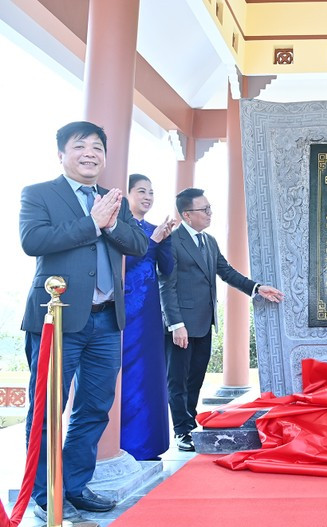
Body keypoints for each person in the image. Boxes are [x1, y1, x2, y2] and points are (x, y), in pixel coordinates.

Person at [20, 121, 148, 522]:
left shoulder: (114, 199)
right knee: (46, 408)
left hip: (107, 322)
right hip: (56, 320)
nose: (90, 153)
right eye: (80, 146)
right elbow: (33, 241)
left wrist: (110, 224)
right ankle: (45, 492)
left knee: (94, 408)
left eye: (97, 147)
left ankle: (73, 484)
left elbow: (139, 245)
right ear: (62, 153)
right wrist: (91, 223)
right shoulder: (39, 194)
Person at [159, 188, 285, 452]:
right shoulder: (172, 241)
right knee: (178, 380)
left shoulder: (209, 242)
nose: (209, 213)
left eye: (209, 208)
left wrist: (257, 288)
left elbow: (226, 272)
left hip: (204, 322)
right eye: (203, 210)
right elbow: (166, 286)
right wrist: (175, 324)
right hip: (181, 325)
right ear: (186, 215)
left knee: (195, 378)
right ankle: (181, 430)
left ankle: (190, 421)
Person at [120, 174, 178, 461]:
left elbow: (167, 269)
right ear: (128, 194)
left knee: (151, 373)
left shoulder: (155, 229)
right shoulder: (119, 227)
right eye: (141, 191)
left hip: (150, 312)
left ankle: (148, 444)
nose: (147, 197)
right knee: (126, 372)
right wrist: (153, 242)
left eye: (151, 192)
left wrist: (165, 241)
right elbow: (124, 263)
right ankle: (122, 444)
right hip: (125, 306)